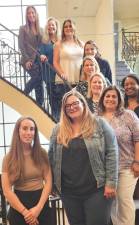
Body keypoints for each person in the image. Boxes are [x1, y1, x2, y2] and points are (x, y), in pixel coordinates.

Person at [48, 90, 118, 225]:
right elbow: (51, 157)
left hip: (97, 189)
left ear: (83, 104)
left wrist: (111, 183)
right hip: (69, 192)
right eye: (67, 106)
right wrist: (52, 183)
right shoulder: (58, 129)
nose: (72, 107)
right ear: (64, 109)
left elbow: (112, 152)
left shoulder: (99, 124)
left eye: (75, 103)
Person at [98, 85, 139, 225]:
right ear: (102, 98)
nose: (110, 98)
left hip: (127, 166)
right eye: (107, 96)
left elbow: (138, 138)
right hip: (106, 169)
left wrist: (137, 161)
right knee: (112, 203)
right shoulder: (95, 118)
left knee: (124, 199)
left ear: (119, 99)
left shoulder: (128, 115)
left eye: (114, 96)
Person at [2, 117, 52, 225]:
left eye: (32, 129)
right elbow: (7, 190)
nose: (28, 132)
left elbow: (48, 182)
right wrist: (26, 213)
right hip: (18, 205)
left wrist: (38, 208)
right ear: (17, 131)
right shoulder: (8, 158)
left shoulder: (42, 153)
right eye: (25, 128)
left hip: (40, 202)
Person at [53, 19, 84, 120]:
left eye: (70, 26)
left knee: (78, 111)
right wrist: (62, 73)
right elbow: (55, 62)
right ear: (63, 29)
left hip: (79, 82)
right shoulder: (58, 44)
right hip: (63, 82)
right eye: (66, 27)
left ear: (74, 28)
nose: (68, 28)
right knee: (64, 112)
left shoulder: (81, 44)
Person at [121, 73, 139, 219]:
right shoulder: (121, 107)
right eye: (126, 85)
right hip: (127, 155)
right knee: (127, 198)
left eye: (132, 83)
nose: (129, 86)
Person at [18, 6, 44, 106]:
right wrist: (27, 60)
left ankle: (39, 105)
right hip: (27, 59)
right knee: (37, 77)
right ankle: (23, 94)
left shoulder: (40, 29)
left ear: (36, 14)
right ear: (26, 15)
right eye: (29, 13)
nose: (31, 15)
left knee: (39, 84)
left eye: (33, 13)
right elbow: (21, 46)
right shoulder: (23, 28)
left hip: (38, 59)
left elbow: (42, 45)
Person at [39, 17, 61, 120]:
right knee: (53, 102)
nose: (51, 27)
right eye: (49, 25)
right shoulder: (44, 42)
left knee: (62, 101)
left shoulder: (61, 41)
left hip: (60, 74)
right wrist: (42, 56)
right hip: (49, 76)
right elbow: (41, 54)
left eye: (53, 25)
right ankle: (56, 122)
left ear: (56, 27)